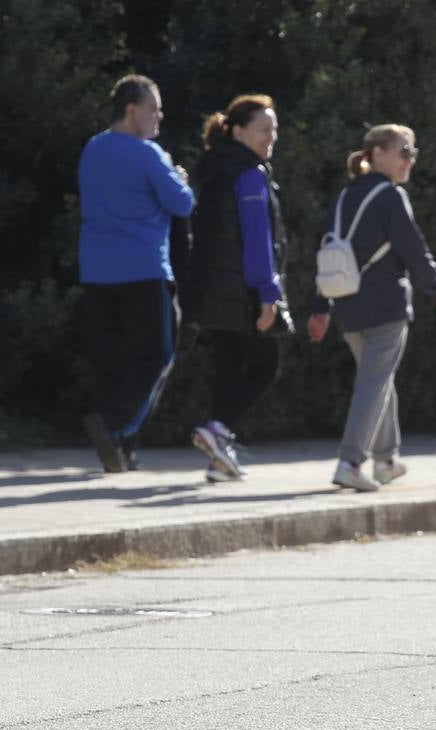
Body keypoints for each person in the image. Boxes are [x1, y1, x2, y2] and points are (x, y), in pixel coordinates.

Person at [307, 124, 436, 492]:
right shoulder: (390, 196)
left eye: (413, 152)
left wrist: (320, 305)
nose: (410, 160)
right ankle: (351, 461)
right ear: (376, 154)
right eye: (403, 151)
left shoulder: (344, 198)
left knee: (378, 378)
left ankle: (386, 460)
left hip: (346, 307)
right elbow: (414, 250)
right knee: (373, 381)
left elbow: (329, 255)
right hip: (385, 305)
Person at [77, 74, 195, 472]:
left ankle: (123, 449)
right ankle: (113, 426)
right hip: (144, 271)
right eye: (153, 107)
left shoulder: (92, 149)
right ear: (132, 110)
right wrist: (180, 180)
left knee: (116, 360)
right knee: (158, 355)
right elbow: (182, 204)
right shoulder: (148, 154)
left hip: (96, 271)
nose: (159, 116)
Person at [186, 94, 288, 483]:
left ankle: (218, 459)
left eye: (274, 129)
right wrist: (267, 295)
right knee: (266, 366)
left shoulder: (214, 169)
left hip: (210, 289)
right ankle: (217, 429)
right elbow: (258, 239)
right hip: (242, 292)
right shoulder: (248, 173)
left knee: (227, 370)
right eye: (264, 129)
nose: (271, 137)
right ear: (240, 131)